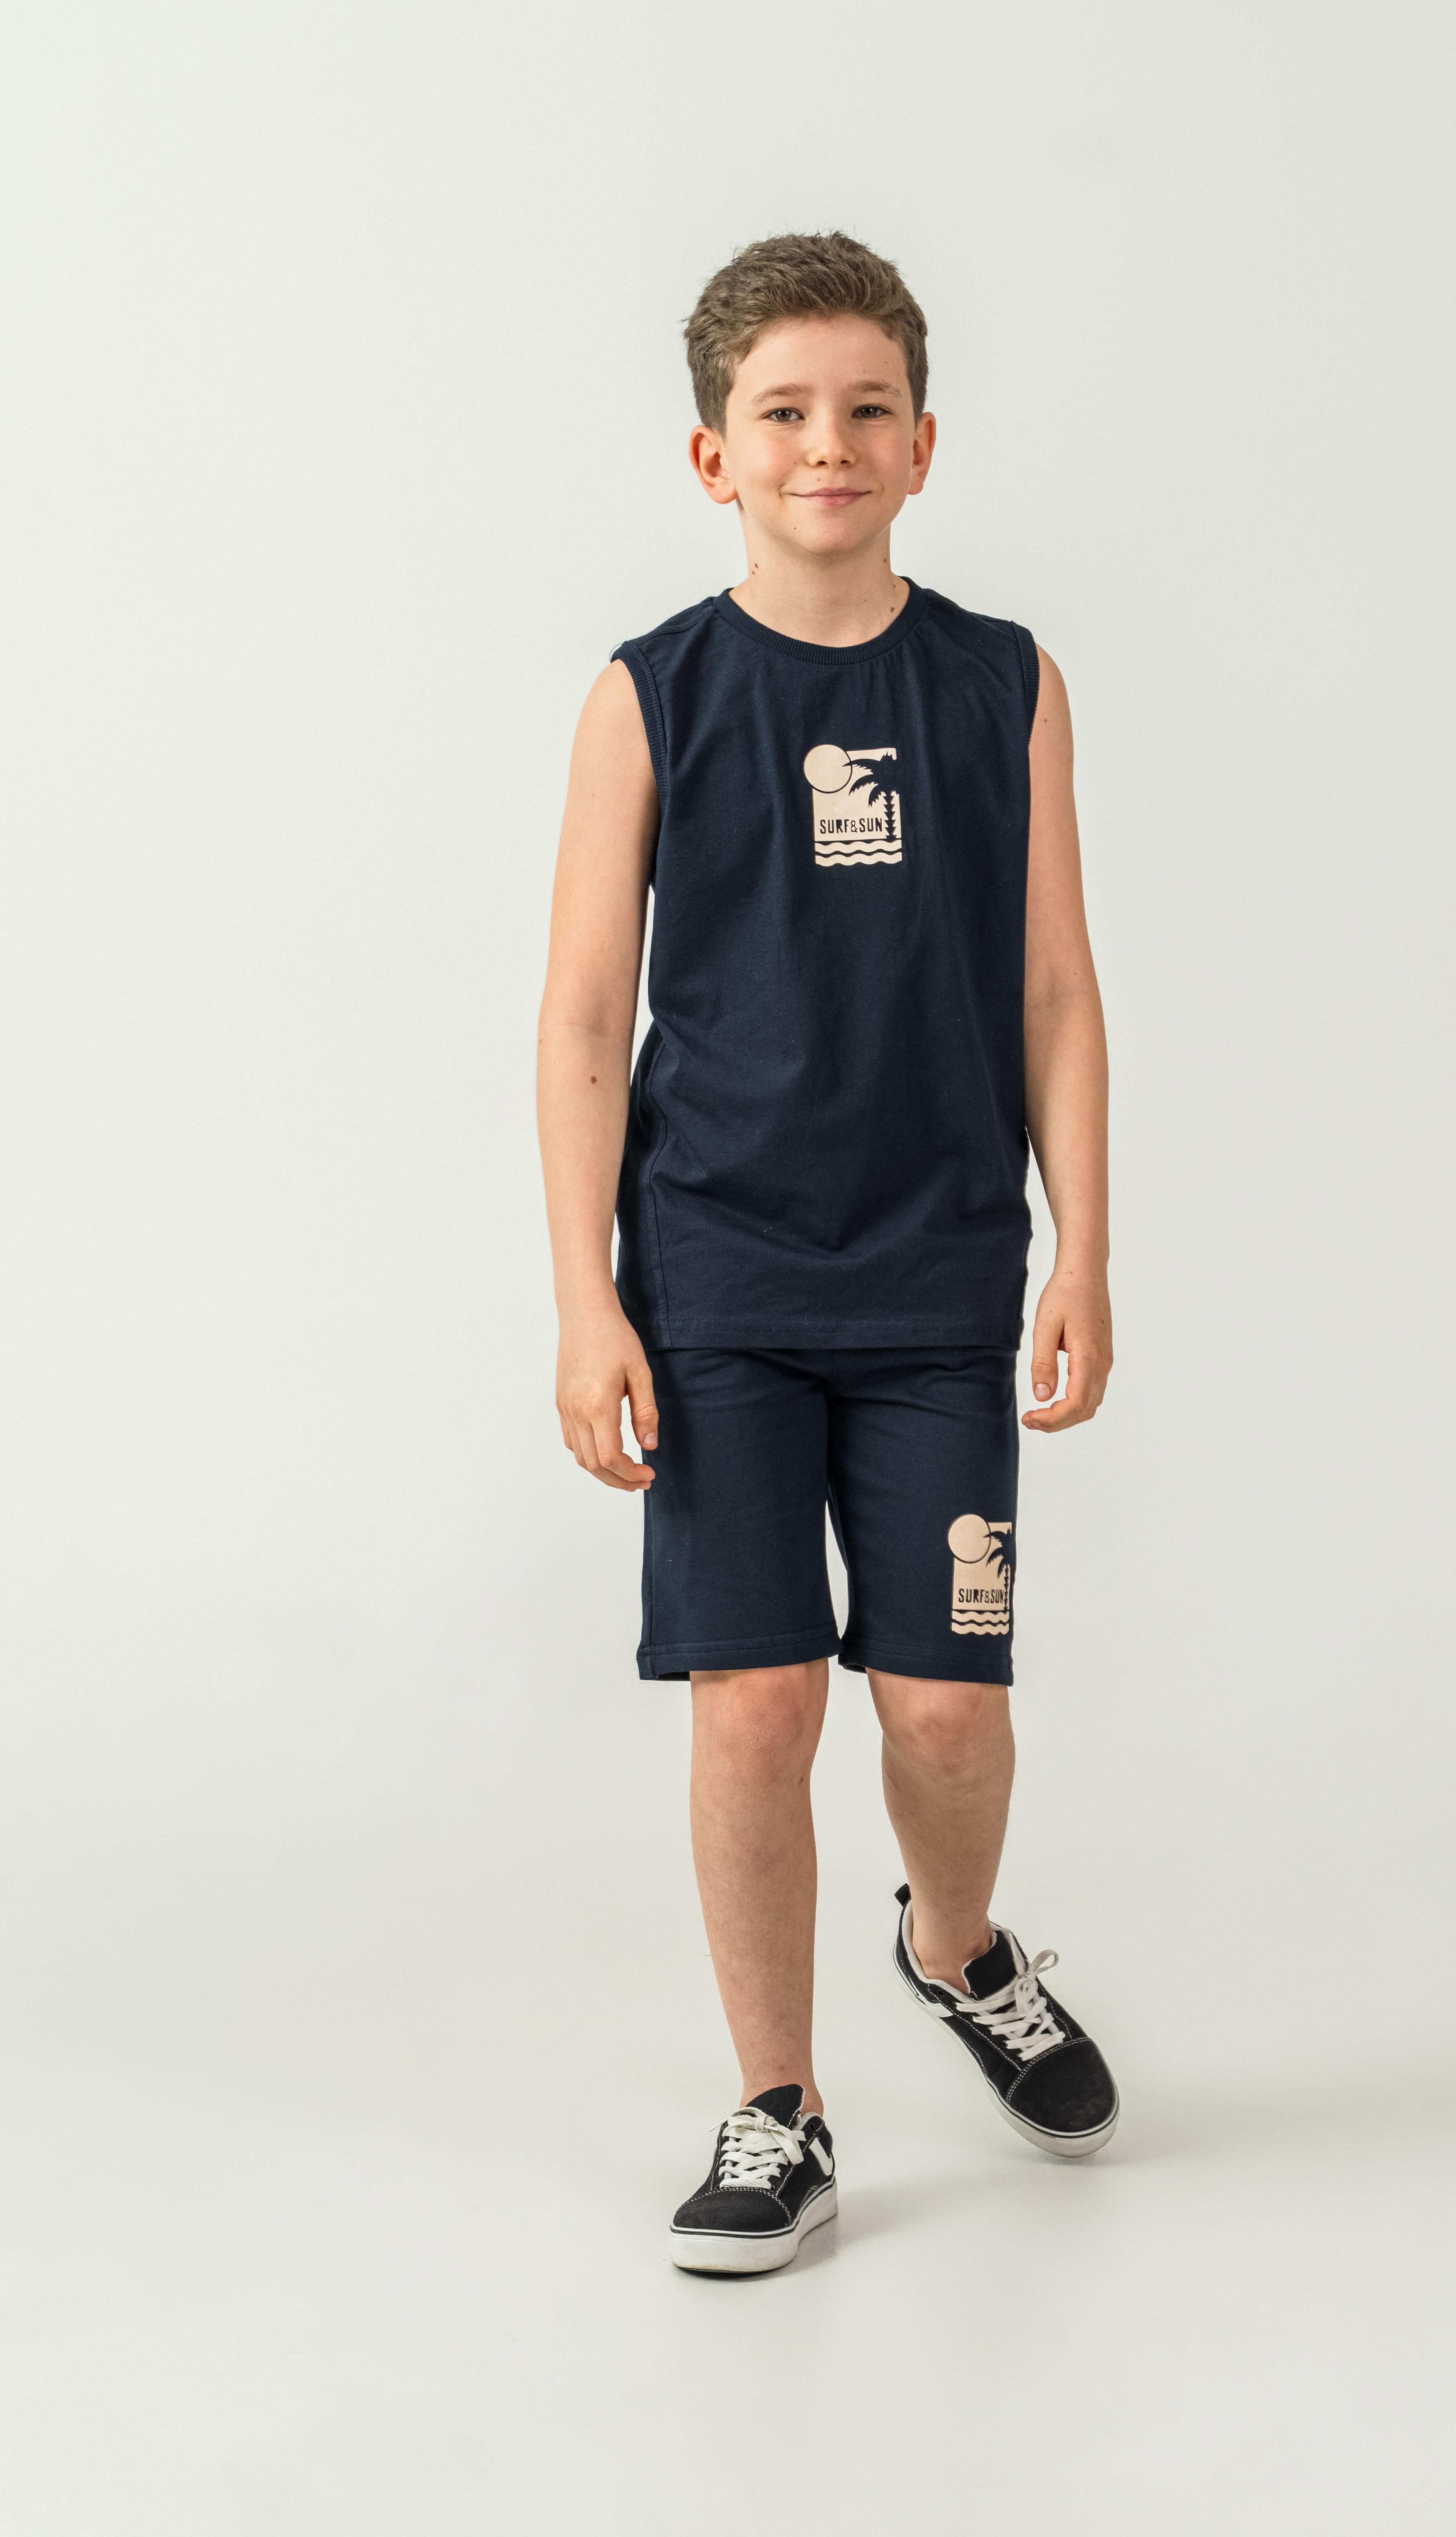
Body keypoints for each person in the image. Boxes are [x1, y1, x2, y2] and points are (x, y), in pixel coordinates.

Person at [536, 232, 1117, 2275]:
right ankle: (776, 2106)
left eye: (866, 408)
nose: (826, 443)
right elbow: (582, 1019)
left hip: (939, 1278)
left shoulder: (1000, 682)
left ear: (922, 445)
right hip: (717, 1279)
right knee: (756, 1702)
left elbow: (1054, 988)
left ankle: (955, 1953)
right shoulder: (650, 697)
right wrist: (585, 1297)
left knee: (943, 1712)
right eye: (781, 411)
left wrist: (1080, 1248)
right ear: (712, 456)